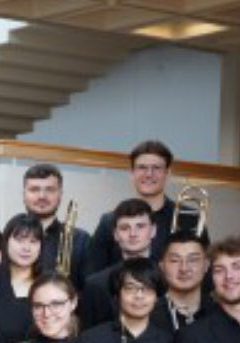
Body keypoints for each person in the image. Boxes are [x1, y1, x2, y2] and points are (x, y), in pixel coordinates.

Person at [82, 141, 175, 277]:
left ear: (168, 173)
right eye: (142, 167)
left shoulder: (189, 218)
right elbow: (93, 275)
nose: (149, 174)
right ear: (131, 173)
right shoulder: (109, 221)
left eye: (156, 168)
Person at [79, 200, 158, 329]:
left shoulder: (169, 278)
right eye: (125, 228)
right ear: (115, 234)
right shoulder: (95, 285)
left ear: (153, 230)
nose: (133, 234)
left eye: (140, 226)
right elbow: (88, 337)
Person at [20, 164, 89, 288]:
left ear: (60, 195)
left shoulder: (81, 240)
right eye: (34, 189)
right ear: (24, 195)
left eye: (50, 190)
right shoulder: (8, 239)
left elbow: (89, 291)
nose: (42, 196)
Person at [160, 228, 214, 331]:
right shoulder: (147, 314)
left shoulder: (220, 313)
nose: (184, 268)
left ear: (206, 265)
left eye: (193, 260)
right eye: (175, 260)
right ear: (162, 266)